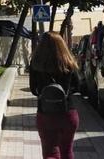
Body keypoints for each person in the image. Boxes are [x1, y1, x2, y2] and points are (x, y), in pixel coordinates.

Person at [29, 31, 81, 159]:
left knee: (50, 152)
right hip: (68, 113)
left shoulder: (35, 64)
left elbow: (33, 90)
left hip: (45, 113)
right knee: (67, 150)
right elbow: (78, 86)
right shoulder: (69, 64)